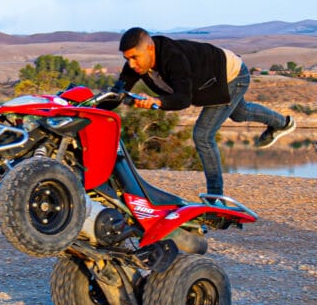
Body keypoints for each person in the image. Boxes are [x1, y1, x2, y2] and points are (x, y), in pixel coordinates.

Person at [111, 27, 295, 203]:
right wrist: (91, 106)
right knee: (240, 113)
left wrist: (156, 102)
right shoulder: (134, 65)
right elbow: (117, 92)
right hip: (215, 79)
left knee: (203, 135)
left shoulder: (173, 57)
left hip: (233, 75)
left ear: (150, 48)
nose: (131, 64)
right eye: (127, 59)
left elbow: (183, 99)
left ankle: (215, 200)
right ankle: (283, 123)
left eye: (135, 57)